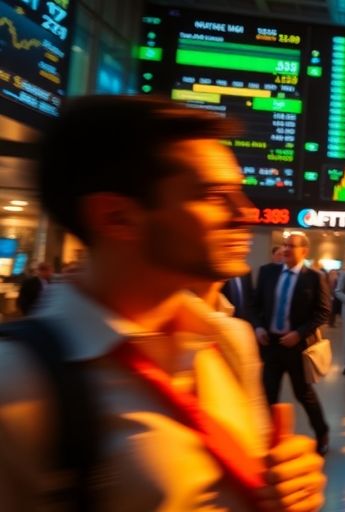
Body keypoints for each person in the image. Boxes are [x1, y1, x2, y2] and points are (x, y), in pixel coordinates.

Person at [0, 96, 324, 510]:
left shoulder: (226, 339)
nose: (245, 213)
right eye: (212, 194)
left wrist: (287, 485)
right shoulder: (18, 386)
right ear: (117, 218)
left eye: (238, 191)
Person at [252, 232, 332, 455]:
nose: (286, 249)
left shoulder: (314, 278)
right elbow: (254, 306)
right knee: (268, 393)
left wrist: (299, 333)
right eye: (284, 245)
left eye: (292, 246)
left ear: (304, 251)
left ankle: (322, 433)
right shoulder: (268, 273)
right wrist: (258, 327)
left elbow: (323, 312)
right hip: (271, 345)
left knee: (303, 393)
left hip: (297, 348)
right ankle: (269, 440)